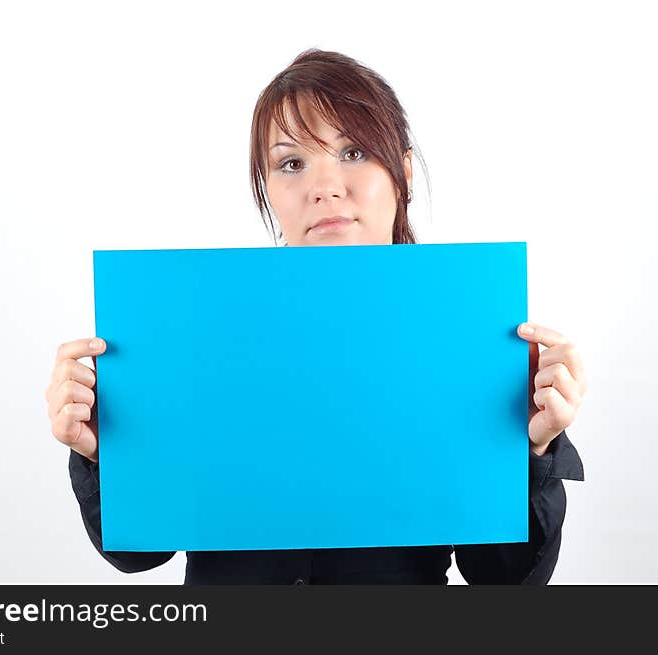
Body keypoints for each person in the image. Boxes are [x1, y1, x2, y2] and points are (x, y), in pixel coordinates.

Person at [45, 49, 587, 584]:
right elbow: (140, 555)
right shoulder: (191, 333)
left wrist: (533, 448)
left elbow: (506, 579)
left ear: (402, 174)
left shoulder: (472, 336)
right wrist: (101, 452)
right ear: (268, 190)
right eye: (291, 163)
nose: (325, 186)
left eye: (353, 153)